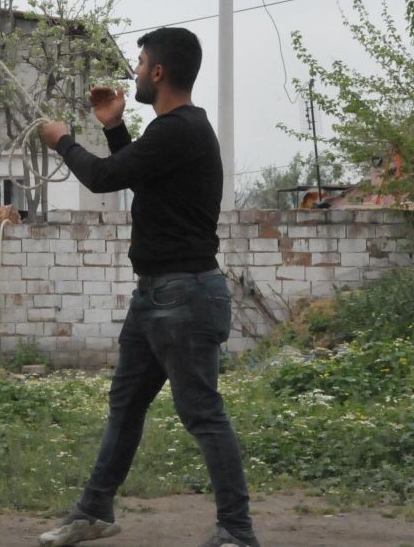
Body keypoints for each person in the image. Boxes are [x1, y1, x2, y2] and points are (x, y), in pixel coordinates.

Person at [35, 27, 260, 547]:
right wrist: (114, 127)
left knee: (202, 413)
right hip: (159, 295)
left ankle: (237, 532)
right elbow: (136, 172)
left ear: (158, 72)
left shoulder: (178, 130)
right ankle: (93, 511)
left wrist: (63, 141)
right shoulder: (176, 133)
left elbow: (103, 177)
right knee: (126, 404)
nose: (133, 72)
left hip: (182, 296)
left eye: (139, 64)